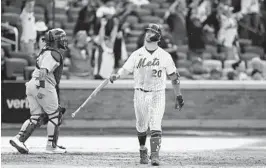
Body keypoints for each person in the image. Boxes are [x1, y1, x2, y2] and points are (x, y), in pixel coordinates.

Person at [109, 23, 185, 166]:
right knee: (141, 125)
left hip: (157, 93)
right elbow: (125, 69)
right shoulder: (137, 54)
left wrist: (178, 95)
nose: (149, 34)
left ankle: (155, 155)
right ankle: (143, 150)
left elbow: (174, 77)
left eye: (152, 32)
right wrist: (117, 75)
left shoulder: (165, 56)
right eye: (147, 32)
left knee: (156, 123)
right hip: (140, 93)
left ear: (158, 36)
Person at [9, 28, 68, 154]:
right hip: (43, 84)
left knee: (36, 117)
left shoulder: (45, 52)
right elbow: (43, 71)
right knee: (55, 115)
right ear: (56, 41)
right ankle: (51, 146)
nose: (64, 41)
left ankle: (19, 139)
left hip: (31, 84)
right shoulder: (54, 54)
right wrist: (42, 88)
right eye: (61, 38)